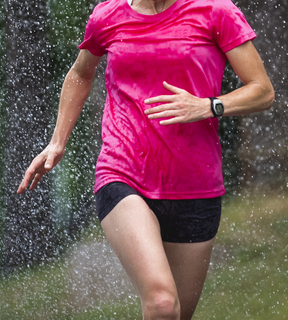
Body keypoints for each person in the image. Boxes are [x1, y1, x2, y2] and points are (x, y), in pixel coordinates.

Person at [17, 0, 273, 318]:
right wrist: (57, 142)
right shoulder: (107, 16)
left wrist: (209, 105)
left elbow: (262, 90)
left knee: (173, 314)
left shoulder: (215, 11)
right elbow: (81, 73)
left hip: (196, 185)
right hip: (123, 172)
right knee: (162, 302)